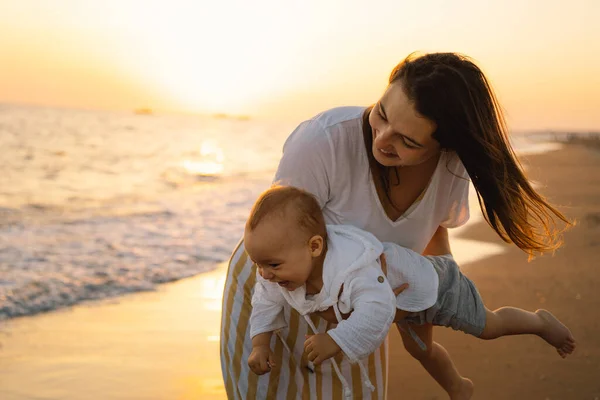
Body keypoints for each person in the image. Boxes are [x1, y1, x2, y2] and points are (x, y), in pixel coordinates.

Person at [220, 52, 570, 400]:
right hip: (277, 282)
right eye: (382, 113)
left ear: (443, 147)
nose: (383, 139)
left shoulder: (450, 168)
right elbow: (276, 225)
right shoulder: (322, 141)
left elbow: (434, 229)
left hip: (362, 301)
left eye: (408, 141)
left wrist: (428, 284)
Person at [244, 186, 575, 398]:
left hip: (436, 287)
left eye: (272, 265)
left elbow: (376, 312)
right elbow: (265, 300)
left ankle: (539, 322)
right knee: (421, 350)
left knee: (489, 327)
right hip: (406, 303)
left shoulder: (353, 267)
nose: (265, 274)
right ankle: (459, 387)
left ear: (314, 246)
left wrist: (336, 339)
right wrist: (260, 343)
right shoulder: (283, 272)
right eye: (259, 264)